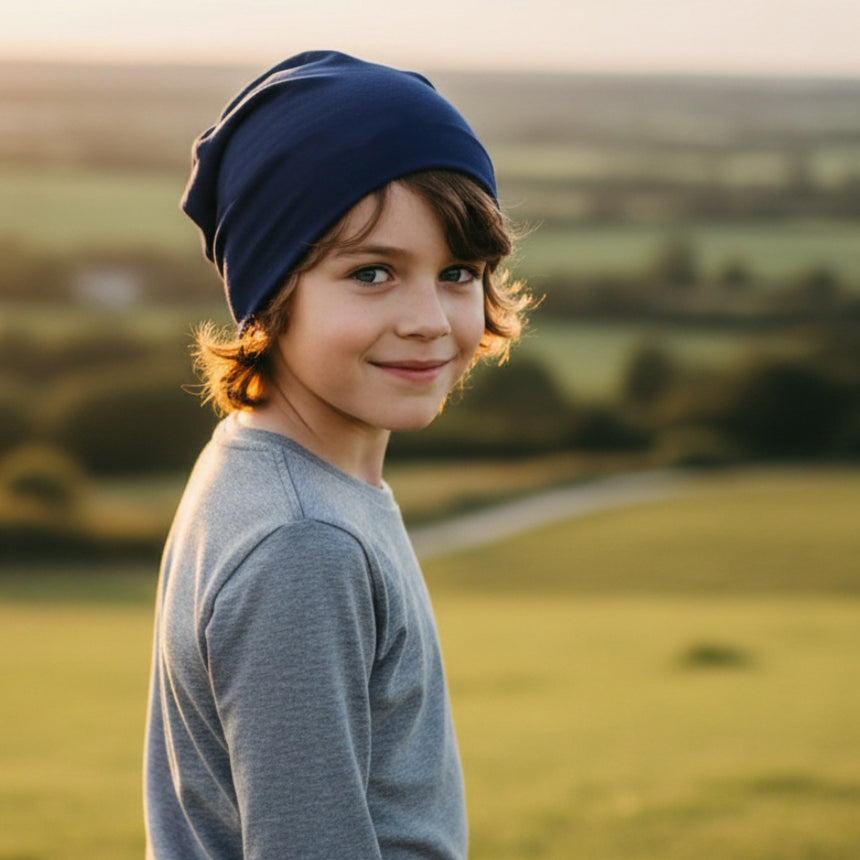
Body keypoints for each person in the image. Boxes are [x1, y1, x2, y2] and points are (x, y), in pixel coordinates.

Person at [143, 50, 531, 859]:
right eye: (373, 272)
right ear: (270, 293)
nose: (429, 319)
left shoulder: (267, 466)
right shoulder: (302, 540)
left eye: (458, 272)